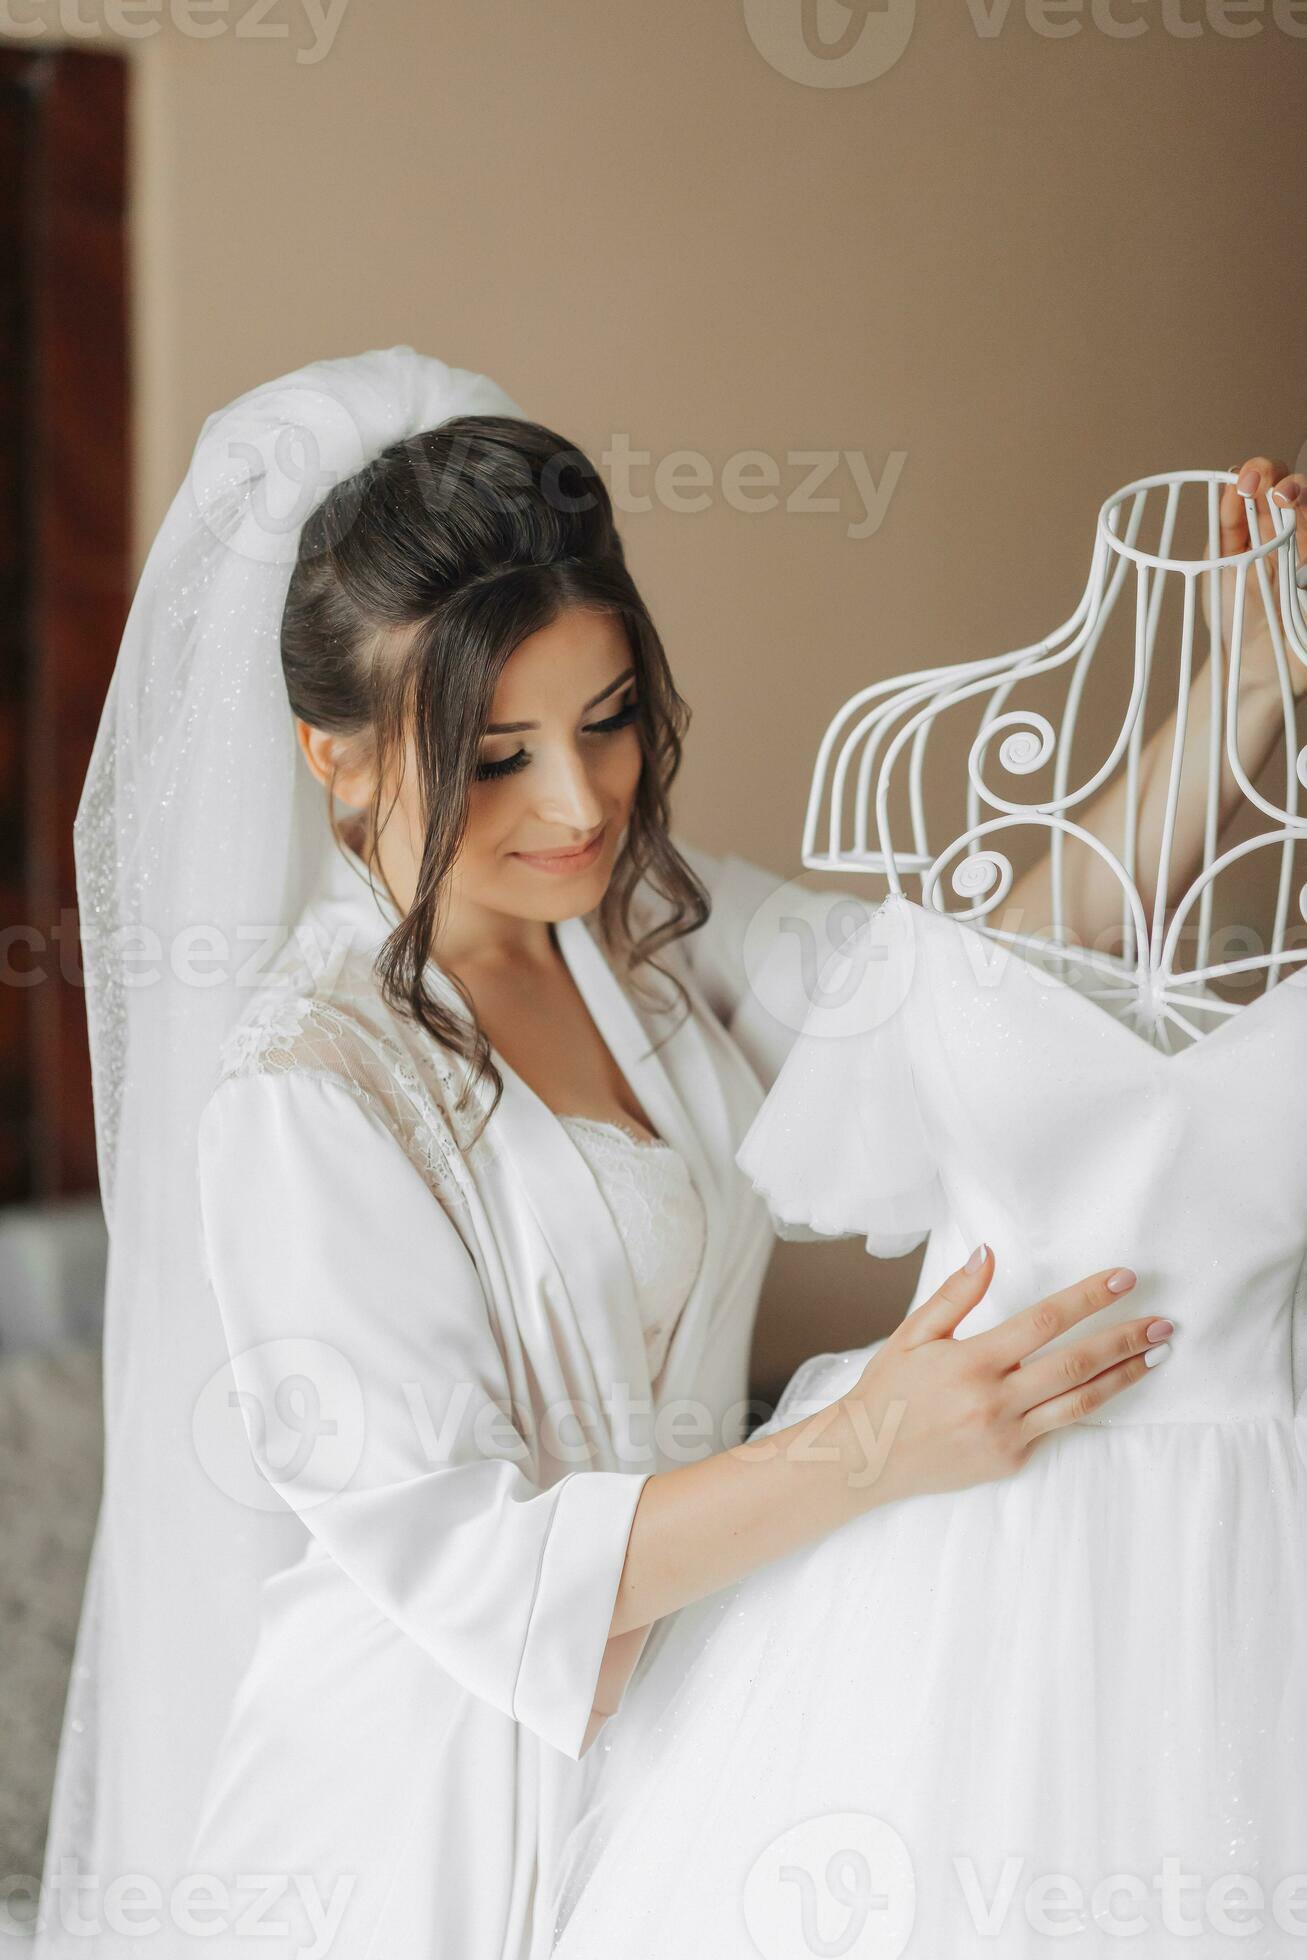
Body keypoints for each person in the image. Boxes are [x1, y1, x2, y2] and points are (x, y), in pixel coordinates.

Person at [33, 338, 1292, 1959]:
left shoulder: (637, 926)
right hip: (422, 1814)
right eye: (495, 757)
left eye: (609, 721)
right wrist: (864, 1449)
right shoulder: (305, 1096)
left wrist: (1246, 684)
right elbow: (469, 1562)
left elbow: (960, 1000)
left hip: (700, 1705)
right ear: (332, 758)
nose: (578, 803)